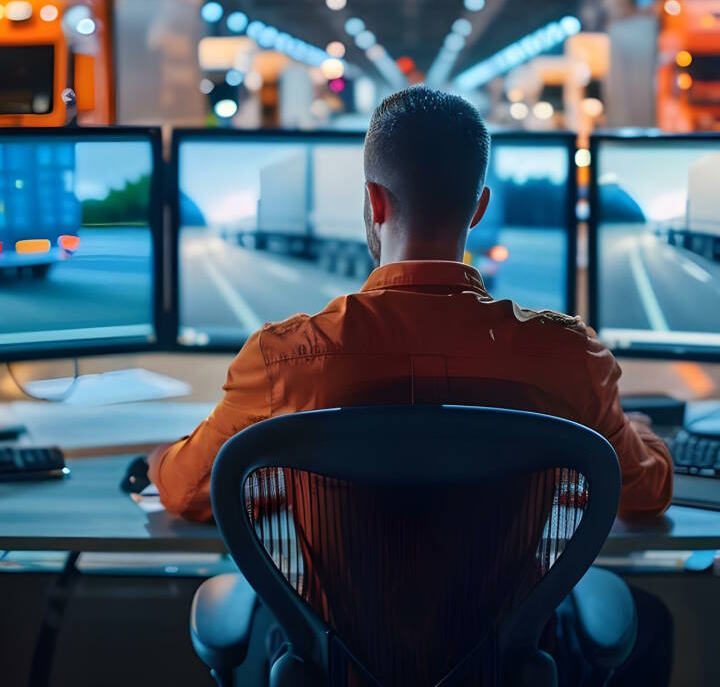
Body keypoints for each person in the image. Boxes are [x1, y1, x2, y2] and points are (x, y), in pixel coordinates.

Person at [149, 85, 674, 683]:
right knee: (649, 620)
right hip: (502, 670)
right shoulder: (566, 356)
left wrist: (205, 464)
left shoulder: (284, 359)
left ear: (374, 201)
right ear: (478, 208)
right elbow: (645, 493)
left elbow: (187, 494)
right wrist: (638, 432)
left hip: (336, 671)